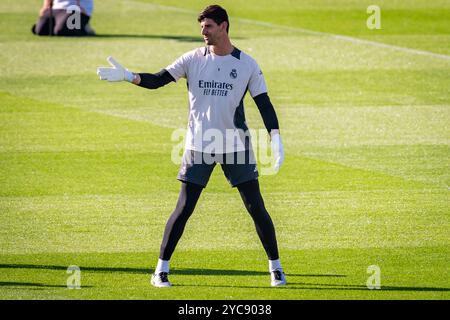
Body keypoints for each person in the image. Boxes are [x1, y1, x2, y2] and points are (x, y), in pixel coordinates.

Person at [97, 5, 286, 288]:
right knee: (184, 207)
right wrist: (129, 76)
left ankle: (276, 268)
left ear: (224, 26)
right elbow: (159, 79)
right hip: (199, 144)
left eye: (208, 26)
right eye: (201, 27)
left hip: (235, 144)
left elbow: (264, 103)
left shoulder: (247, 64)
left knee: (255, 206)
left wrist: (275, 137)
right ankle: (160, 270)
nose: (203, 32)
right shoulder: (192, 58)